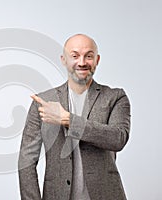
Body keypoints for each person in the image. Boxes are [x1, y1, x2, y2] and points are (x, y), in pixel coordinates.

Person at [18, 34, 131, 200]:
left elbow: (118, 138)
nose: (82, 62)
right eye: (75, 56)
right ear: (64, 60)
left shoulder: (115, 97)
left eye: (89, 56)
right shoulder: (43, 102)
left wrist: (67, 120)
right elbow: (26, 160)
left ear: (97, 60)